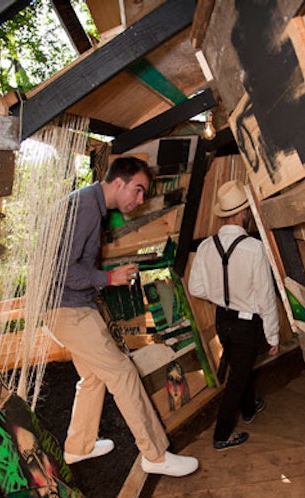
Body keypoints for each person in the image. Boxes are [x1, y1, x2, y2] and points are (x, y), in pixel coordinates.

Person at [48, 156, 198, 477]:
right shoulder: (86, 207)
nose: (140, 200)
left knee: (93, 377)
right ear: (119, 182)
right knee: (123, 373)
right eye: (139, 190)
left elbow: (72, 264)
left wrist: (105, 275)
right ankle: (155, 456)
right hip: (67, 307)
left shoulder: (88, 203)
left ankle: (78, 447)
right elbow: (62, 269)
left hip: (67, 305)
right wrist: (109, 279)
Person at [188, 179, 280, 450]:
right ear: (243, 213)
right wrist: (273, 335)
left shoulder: (206, 247)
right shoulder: (254, 248)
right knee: (236, 380)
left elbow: (196, 287)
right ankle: (221, 435)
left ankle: (250, 409)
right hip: (247, 324)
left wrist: (220, 296)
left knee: (241, 366)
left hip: (222, 320)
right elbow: (266, 298)